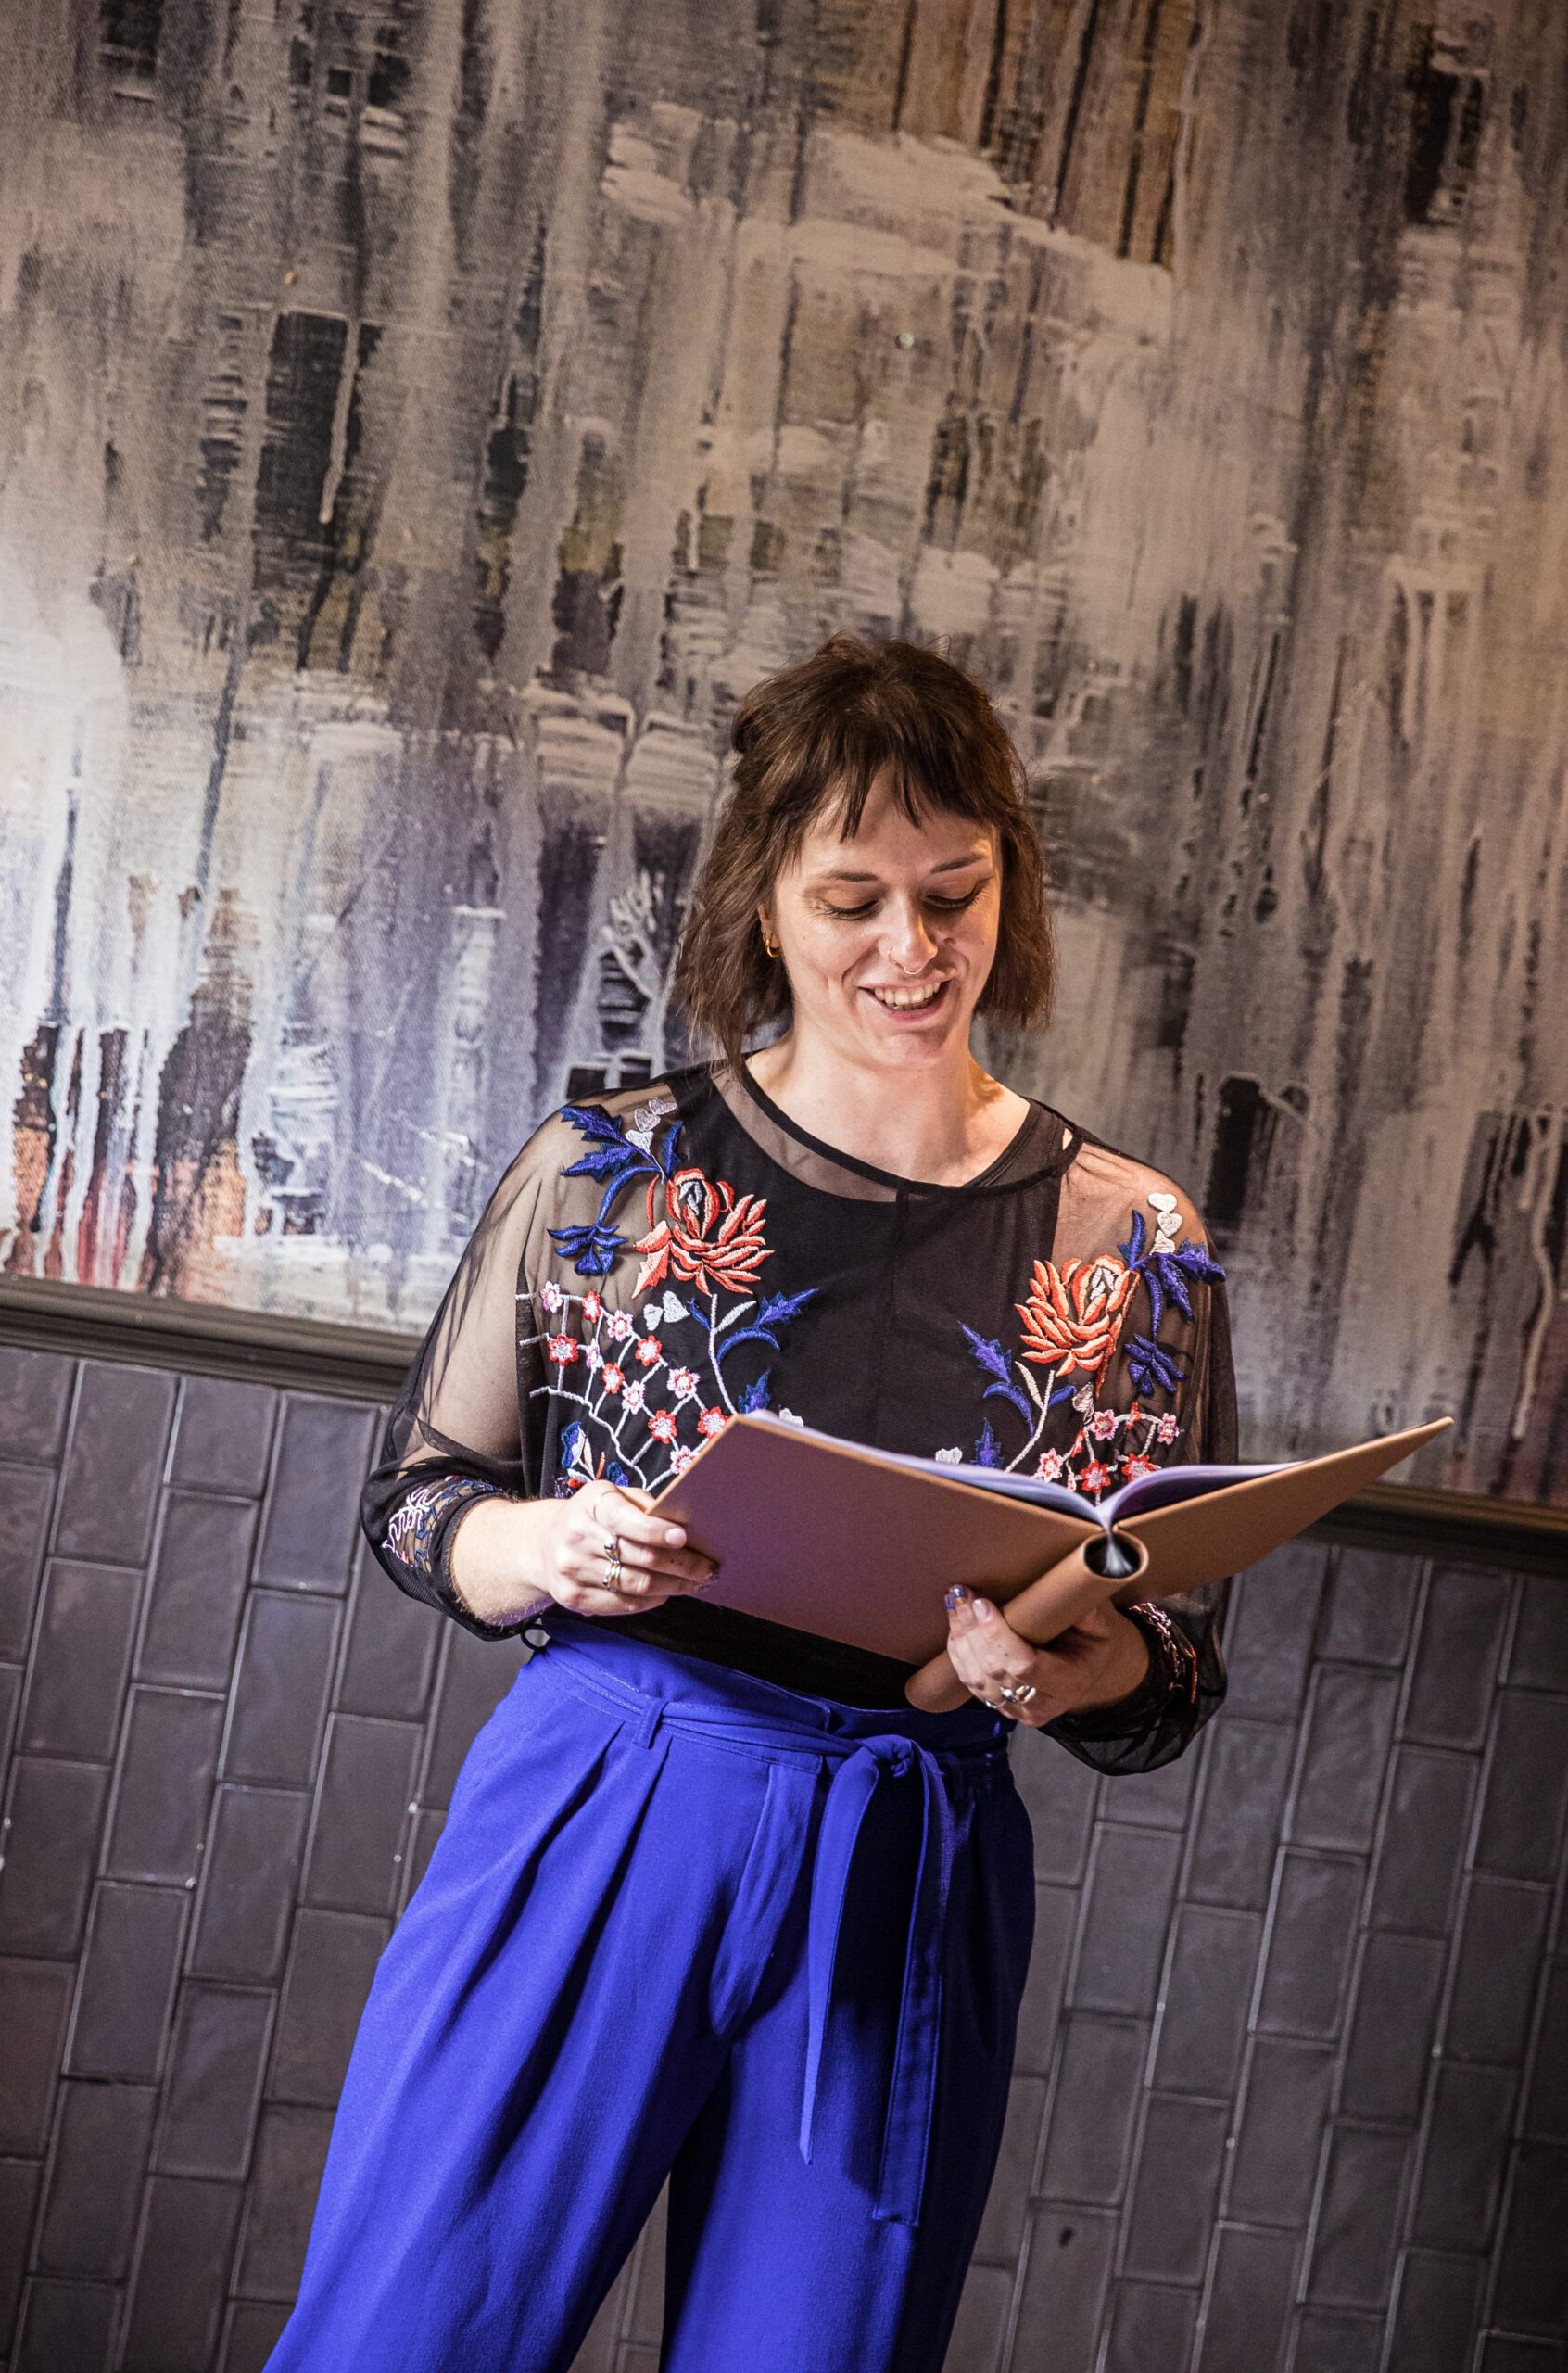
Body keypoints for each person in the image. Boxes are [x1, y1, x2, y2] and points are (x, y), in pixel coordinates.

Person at [265, 634, 1236, 2373]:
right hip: (607, 1798)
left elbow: (1169, 1668)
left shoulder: (1132, 1240)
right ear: (765, 902)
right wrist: (541, 1547)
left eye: (957, 892)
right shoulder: (612, 1174)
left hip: (911, 1847)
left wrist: (1066, 1674)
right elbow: (420, 1500)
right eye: (853, 898)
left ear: (1007, 878)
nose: (912, 951)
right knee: (414, 2329)